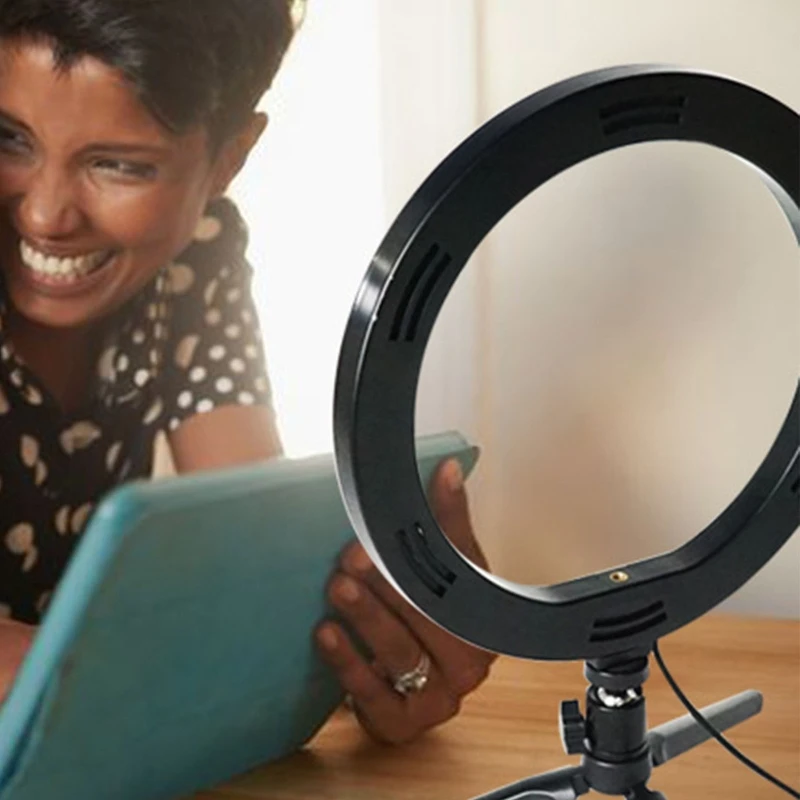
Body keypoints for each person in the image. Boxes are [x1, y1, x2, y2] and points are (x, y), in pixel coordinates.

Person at [0, 0, 495, 747]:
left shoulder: (195, 252)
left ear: (230, 159)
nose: (45, 215)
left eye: (119, 165)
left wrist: (367, 632)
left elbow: (250, 552)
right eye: (9, 137)